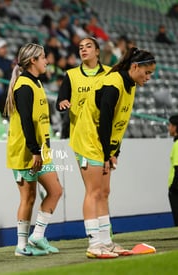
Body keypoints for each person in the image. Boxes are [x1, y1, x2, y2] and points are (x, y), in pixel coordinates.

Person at [69, 47, 156, 258]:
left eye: (151, 74)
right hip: (89, 139)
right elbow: (105, 121)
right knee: (94, 192)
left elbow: (120, 121)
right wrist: (108, 153)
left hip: (104, 143)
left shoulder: (131, 84)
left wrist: (116, 151)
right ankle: (94, 244)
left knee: (104, 192)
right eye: (147, 72)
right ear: (135, 67)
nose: (149, 77)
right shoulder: (112, 83)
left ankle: (106, 242)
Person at [4, 43, 63, 256]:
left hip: (40, 151)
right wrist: (35, 150)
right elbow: (27, 122)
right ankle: (21, 246)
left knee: (56, 191)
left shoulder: (36, 83)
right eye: (43, 57)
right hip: (26, 152)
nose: (47, 60)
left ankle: (37, 235)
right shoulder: (24, 86)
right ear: (33, 61)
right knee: (28, 198)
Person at [56, 37, 111, 139]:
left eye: (88, 46)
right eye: (81, 48)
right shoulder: (71, 75)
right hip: (77, 135)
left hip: (100, 134)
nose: (83, 50)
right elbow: (60, 101)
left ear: (97, 51)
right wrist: (62, 102)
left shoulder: (110, 73)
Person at [168, 115, 178, 226]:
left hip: (176, 190)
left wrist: (173, 188)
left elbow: (177, 168)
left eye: (170, 125)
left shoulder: (177, 145)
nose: (168, 128)